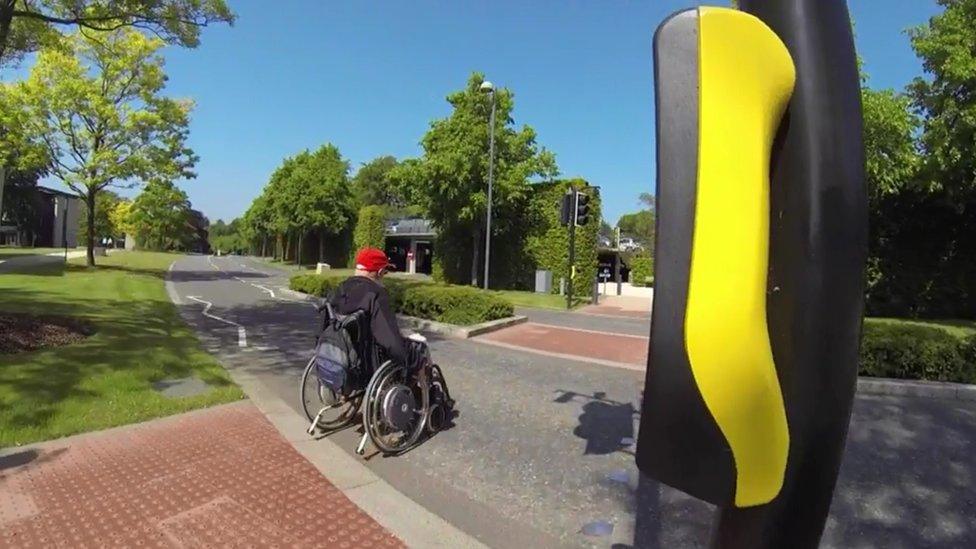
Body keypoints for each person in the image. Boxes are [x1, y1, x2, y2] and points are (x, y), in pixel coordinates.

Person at [329, 247, 410, 366]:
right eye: (385, 272)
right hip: (367, 364)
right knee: (417, 353)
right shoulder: (376, 294)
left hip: (337, 356)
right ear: (380, 271)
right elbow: (389, 339)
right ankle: (424, 383)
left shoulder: (339, 289)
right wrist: (405, 357)